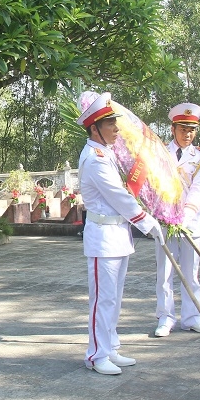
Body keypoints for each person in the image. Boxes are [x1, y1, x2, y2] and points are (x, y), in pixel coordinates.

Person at [76, 91, 162, 375]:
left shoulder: (107, 154)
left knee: (114, 298)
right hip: (102, 237)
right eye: (110, 124)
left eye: (115, 123)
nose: (116, 129)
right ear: (94, 128)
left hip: (117, 235)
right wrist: (147, 222)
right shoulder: (95, 158)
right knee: (103, 299)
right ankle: (97, 354)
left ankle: (111, 347)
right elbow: (118, 196)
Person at [154, 103, 200, 337]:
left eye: (191, 130)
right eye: (183, 129)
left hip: (190, 221)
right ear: (173, 128)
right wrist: (166, 214)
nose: (187, 134)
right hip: (166, 222)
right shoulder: (158, 153)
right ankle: (165, 317)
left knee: (191, 272)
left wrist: (185, 215)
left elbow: (199, 188)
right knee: (164, 272)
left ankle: (192, 317)